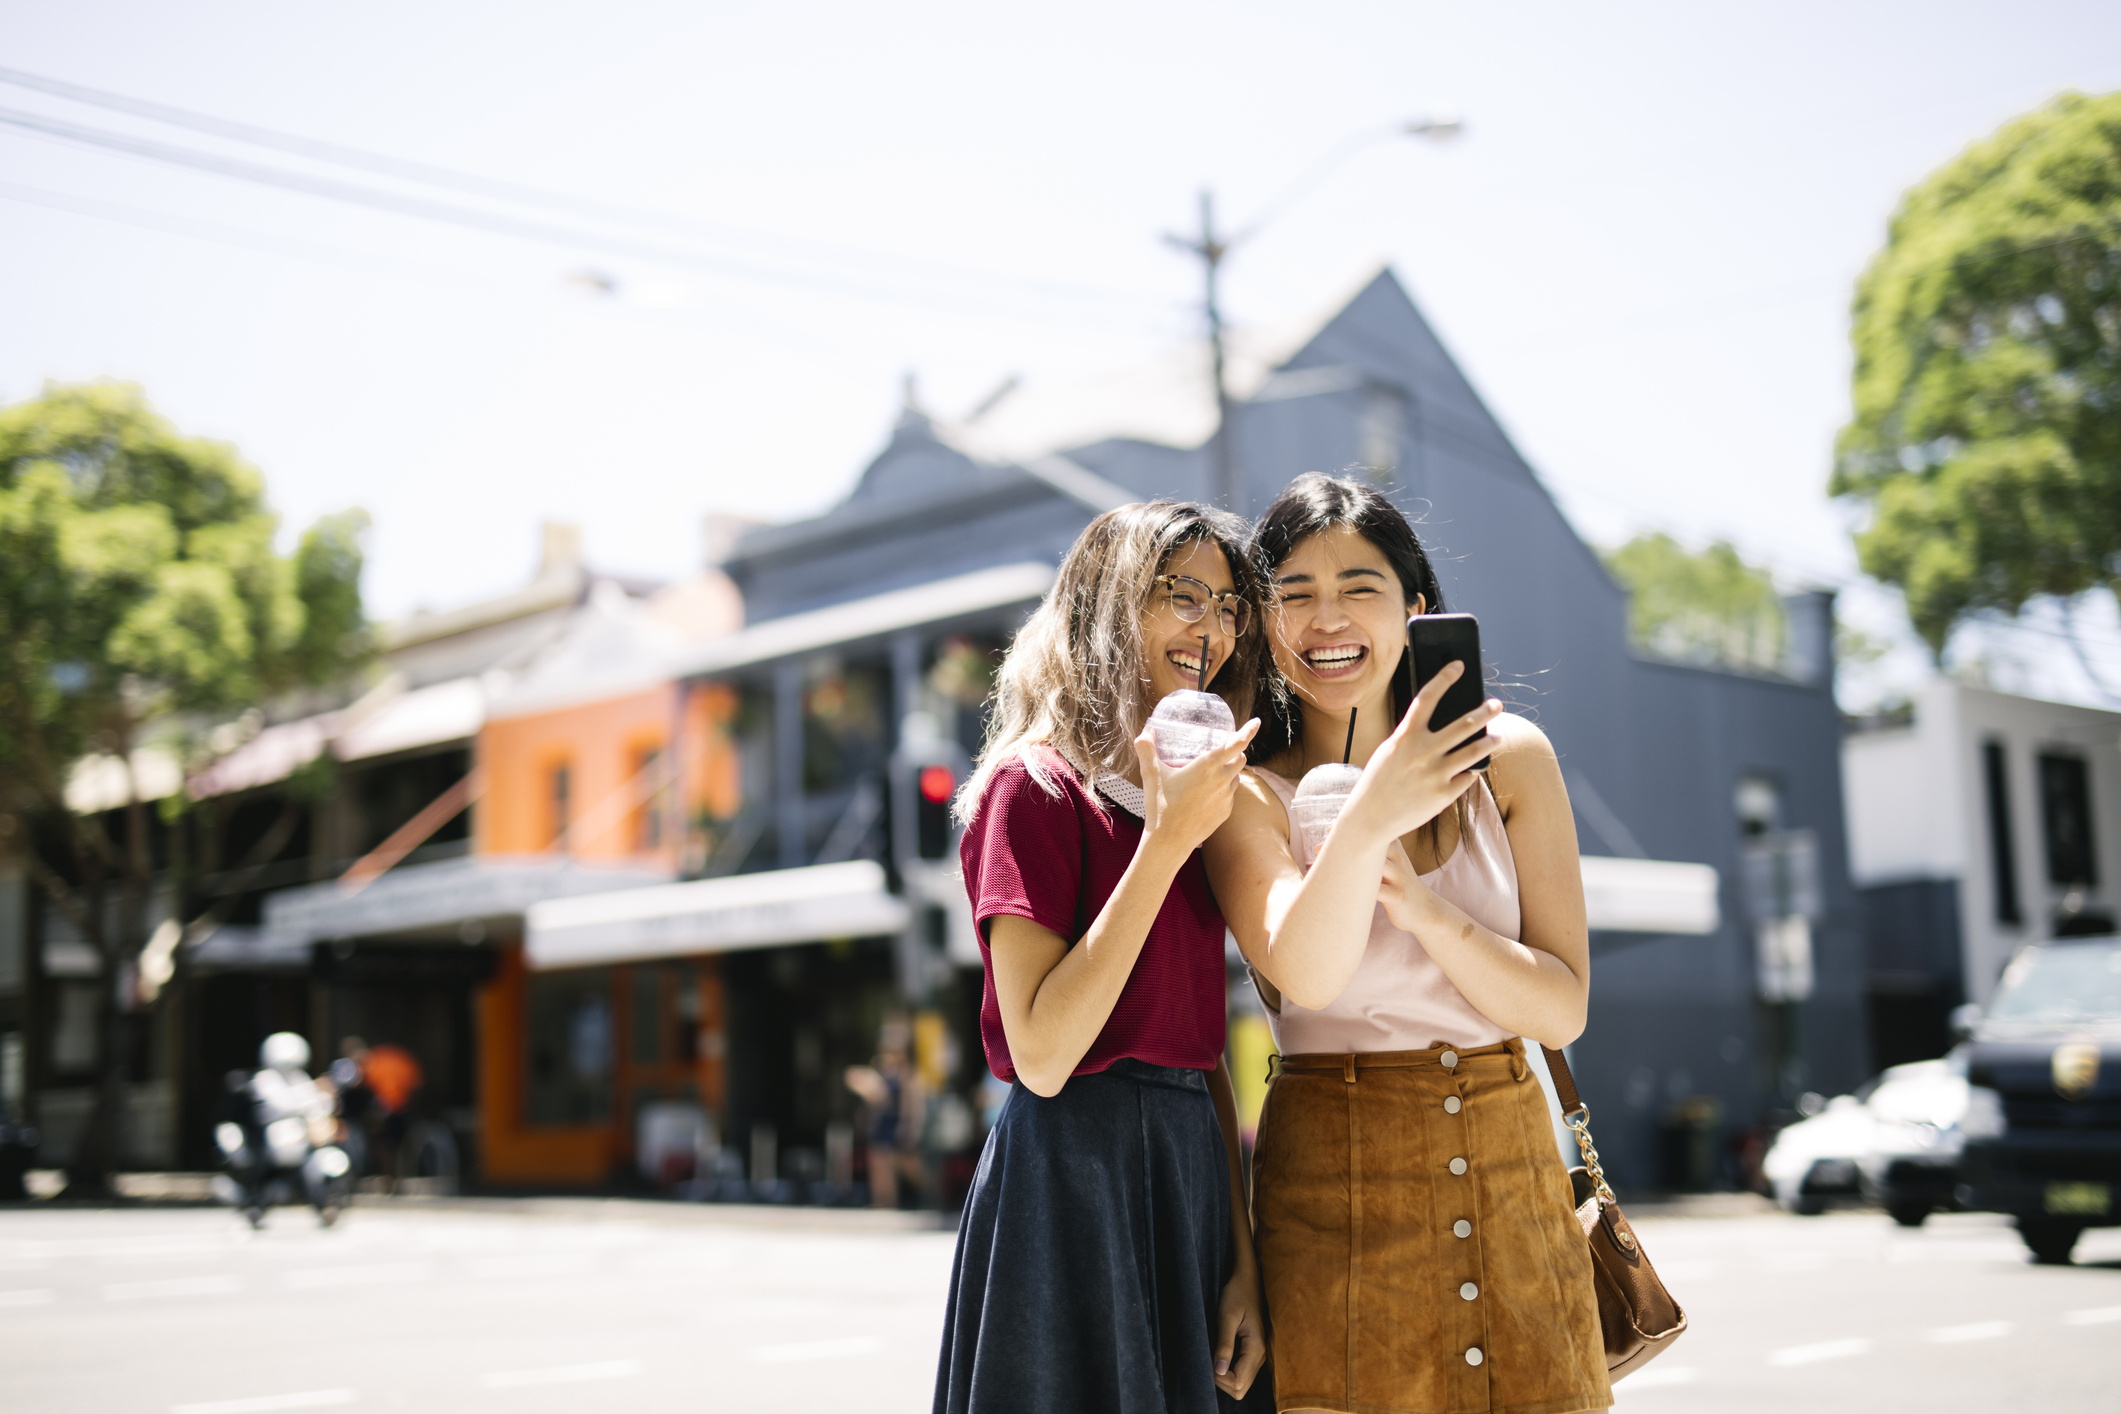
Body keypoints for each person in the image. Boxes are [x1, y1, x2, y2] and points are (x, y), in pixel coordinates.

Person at [1204, 474, 1609, 1414]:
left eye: (1359, 587)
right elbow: (1306, 970)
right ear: (1263, 626)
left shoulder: (1509, 757)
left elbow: (1559, 1005)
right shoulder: (1248, 793)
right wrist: (1373, 812)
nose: (1325, 616)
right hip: (1334, 1180)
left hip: (1512, 1164)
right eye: (1292, 592)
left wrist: (1427, 912)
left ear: (1416, 609)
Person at [934, 500, 1274, 1414]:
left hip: (1189, 1174)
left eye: (1230, 605)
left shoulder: (1187, 804)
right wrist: (1163, 847)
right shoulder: (1033, 788)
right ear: (1107, 603)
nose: (1212, 628)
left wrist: (1241, 1258)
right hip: (1069, 1180)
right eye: (1182, 595)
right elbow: (1042, 1054)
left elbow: (1202, 1058)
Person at [843, 1019, 928, 1208]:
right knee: (879, 1164)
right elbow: (868, 1091)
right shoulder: (880, 1070)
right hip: (881, 1124)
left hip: (898, 1125)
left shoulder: (907, 1075)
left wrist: (910, 1128)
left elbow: (912, 1105)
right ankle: (883, 1204)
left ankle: (931, 1198)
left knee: (909, 1167)